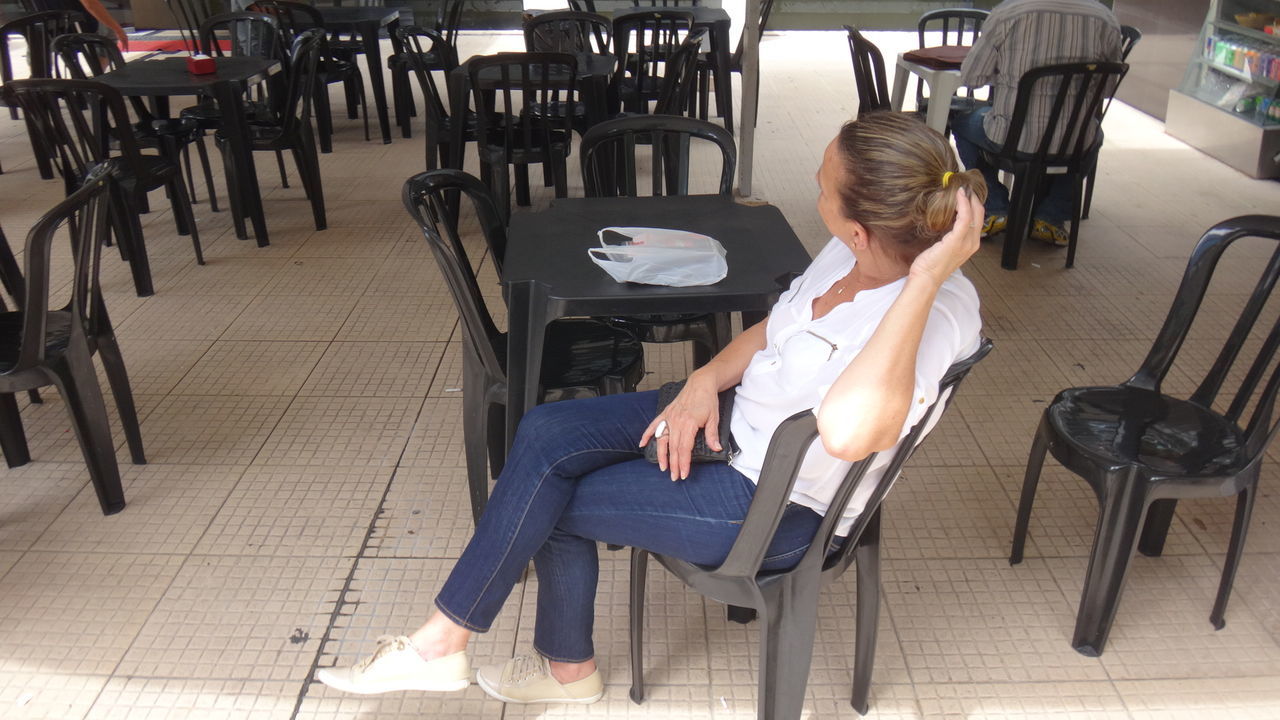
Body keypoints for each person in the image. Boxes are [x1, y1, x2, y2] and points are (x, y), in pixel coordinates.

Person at [318, 112, 987, 705]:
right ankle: (460, 647)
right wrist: (700, 383)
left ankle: (517, 661)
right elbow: (774, 330)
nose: (814, 194)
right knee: (544, 432)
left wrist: (923, 281)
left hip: (776, 502)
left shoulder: (935, 314)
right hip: (732, 423)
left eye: (821, 186)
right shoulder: (848, 253)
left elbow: (847, 433)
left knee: (547, 501)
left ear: (863, 229)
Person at [952, 0, 1121, 246]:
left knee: (962, 124)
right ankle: (1051, 215)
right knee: (1093, 137)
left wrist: (1008, 75)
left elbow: (971, 77)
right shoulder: (1104, 18)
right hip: (1073, 141)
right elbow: (1106, 87)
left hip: (1011, 137)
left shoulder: (1008, 13)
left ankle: (995, 205)